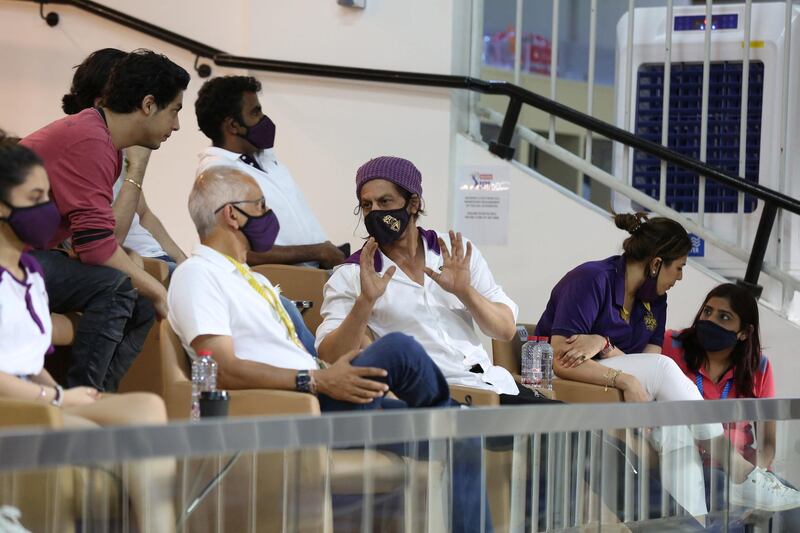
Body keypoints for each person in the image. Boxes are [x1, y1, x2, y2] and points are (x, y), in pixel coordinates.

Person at [167, 165, 489, 533]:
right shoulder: (197, 274)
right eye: (260, 205)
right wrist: (315, 380)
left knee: (463, 439)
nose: (268, 215)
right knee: (399, 350)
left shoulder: (250, 280)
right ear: (232, 214)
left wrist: (327, 370)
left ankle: (460, 420)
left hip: (322, 395)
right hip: (293, 406)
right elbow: (220, 368)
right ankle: (463, 416)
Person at [535, 212, 800, 515]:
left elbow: (644, 363)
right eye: (679, 267)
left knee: (678, 434)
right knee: (663, 367)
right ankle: (739, 471)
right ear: (656, 263)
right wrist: (625, 380)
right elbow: (558, 357)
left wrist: (604, 345)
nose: (681, 277)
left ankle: (694, 525)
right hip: (560, 378)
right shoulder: (592, 279)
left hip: (613, 386)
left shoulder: (655, 300)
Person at [0, 133, 175, 531]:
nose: (47, 210)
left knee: (146, 407)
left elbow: (26, 359)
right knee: (104, 440)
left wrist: (65, 393)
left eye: (48, 197)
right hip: (13, 407)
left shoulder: (30, 273)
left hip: (36, 396)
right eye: (34, 199)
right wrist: (57, 396)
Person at [20, 49, 190, 391]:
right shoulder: (90, 140)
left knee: (137, 302)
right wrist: (158, 289)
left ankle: (101, 399)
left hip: (29, 256)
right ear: (147, 104)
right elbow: (96, 250)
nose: (176, 125)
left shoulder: (103, 141)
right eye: (174, 111)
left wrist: (150, 289)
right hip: (9, 259)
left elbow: (94, 241)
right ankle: (83, 404)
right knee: (117, 288)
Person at [315, 156, 540, 402]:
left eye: (385, 201)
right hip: (437, 396)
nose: (375, 212)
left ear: (413, 204)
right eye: (367, 205)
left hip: (494, 384)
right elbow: (330, 357)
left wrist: (465, 292)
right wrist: (365, 302)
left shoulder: (455, 252)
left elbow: (505, 330)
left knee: (572, 423)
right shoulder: (351, 273)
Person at [664, 284, 800, 526]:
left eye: (724, 317)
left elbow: (768, 443)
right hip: (687, 466)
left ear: (744, 333)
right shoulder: (671, 346)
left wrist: (751, 478)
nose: (710, 320)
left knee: (795, 511)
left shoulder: (758, 367)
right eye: (707, 311)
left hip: (742, 471)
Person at [194, 75, 346, 269]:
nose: (263, 119)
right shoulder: (217, 174)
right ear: (233, 125)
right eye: (255, 112)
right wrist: (317, 252)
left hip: (318, 271)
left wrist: (326, 251)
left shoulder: (262, 156)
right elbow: (238, 249)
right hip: (282, 283)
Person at [62, 48, 187, 274]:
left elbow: (144, 214)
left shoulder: (114, 147)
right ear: (102, 102)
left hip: (156, 258)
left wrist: (184, 261)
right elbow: (107, 243)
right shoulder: (85, 148)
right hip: (136, 265)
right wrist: (136, 169)